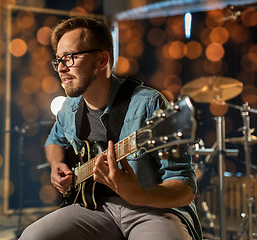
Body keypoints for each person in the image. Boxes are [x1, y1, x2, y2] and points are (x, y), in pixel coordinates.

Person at [19, 17, 202, 240]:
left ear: (102, 60)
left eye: (70, 58)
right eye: (58, 60)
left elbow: (185, 189)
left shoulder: (149, 104)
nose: (61, 68)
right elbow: (53, 142)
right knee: (32, 236)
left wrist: (138, 194)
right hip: (97, 208)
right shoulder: (68, 109)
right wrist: (57, 165)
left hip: (153, 210)